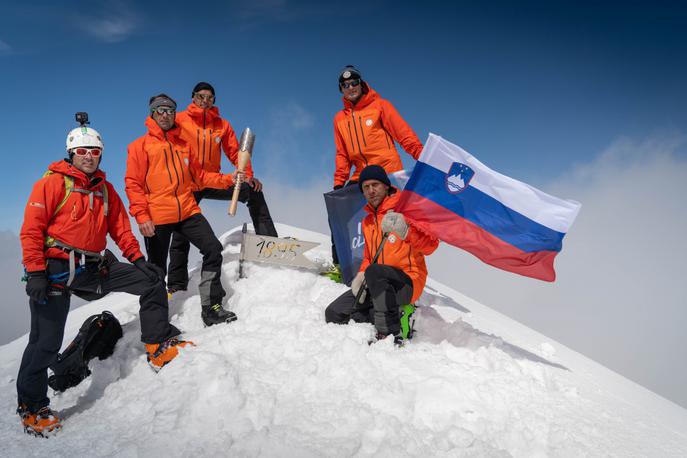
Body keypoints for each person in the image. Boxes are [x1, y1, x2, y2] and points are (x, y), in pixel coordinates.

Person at [17, 120, 189, 437]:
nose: (89, 156)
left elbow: (121, 229)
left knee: (151, 281)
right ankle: (31, 407)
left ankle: (155, 343)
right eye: (82, 151)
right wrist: (36, 271)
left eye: (94, 151)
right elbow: (31, 230)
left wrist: (138, 259)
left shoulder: (106, 191)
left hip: (93, 268)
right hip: (54, 270)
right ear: (71, 153)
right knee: (45, 342)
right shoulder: (53, 183)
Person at [125, 94, 237, 327]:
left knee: (213, 249)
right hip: (158, 216)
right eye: (160, 110)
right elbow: (133, 184)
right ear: (152, 114)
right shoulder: (139, 146)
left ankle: (211, 307)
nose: (165, 114)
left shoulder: (184, 145)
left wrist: (229, 179)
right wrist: (142, 216)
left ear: (174, 114)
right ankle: (156, 321)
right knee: (156, 269)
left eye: (169, 110)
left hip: (187, 210)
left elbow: (201, 177)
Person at [167, 82, 278, 294]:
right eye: (201, 96)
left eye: (209, 97)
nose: (205, 101)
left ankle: (270, 245)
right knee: (181, 232)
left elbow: (236, 153)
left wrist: (249, 177)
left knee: (253, 192)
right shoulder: (180, 120)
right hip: (187, 183)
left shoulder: (222, 125)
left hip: (212, 181)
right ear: (193, 97)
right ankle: (176, 284)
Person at [327, 65, 424, 276]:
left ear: (361, 84)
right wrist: (338, 183)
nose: (350, 87)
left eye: (354, 83)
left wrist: (423, 157)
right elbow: (342, 154)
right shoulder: (339, 119)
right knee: (338, 212)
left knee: (394, 221)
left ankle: (406, 272)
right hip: (361, 175)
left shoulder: (380, 106)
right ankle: (342, 266)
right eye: (345, 85)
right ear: (341, 90)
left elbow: (404, 135)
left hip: (388, 173)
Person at [325, 165, 438, 345]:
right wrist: (361, 276)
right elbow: (370, 257)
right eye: (366, 187)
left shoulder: (407, 210)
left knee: (376, 273)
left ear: (386, 186)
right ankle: (399, 315)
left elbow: (431, 246)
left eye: (375, 185)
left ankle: (390, 334)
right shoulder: (367, 221)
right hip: (378, 282)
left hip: (408, 281)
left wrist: (406, 231)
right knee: (334, 313)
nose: (371, 191)